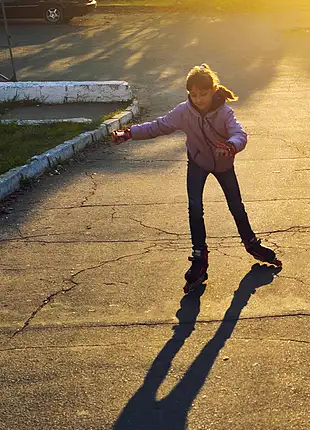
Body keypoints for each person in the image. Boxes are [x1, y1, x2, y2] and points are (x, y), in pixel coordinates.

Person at [111, 63, 280, 292]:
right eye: (193, 94)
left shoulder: (224, 112)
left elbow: (239, 133)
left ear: (213, 90)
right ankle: (199, 256)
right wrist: (130, 133)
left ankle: (251, 243)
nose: (198, 99)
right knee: (195, 207)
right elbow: (159, 126)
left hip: (223, 163)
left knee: (236, 205)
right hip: (198, 162)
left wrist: (231, 146)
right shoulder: (184, 111)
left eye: (203, 94)